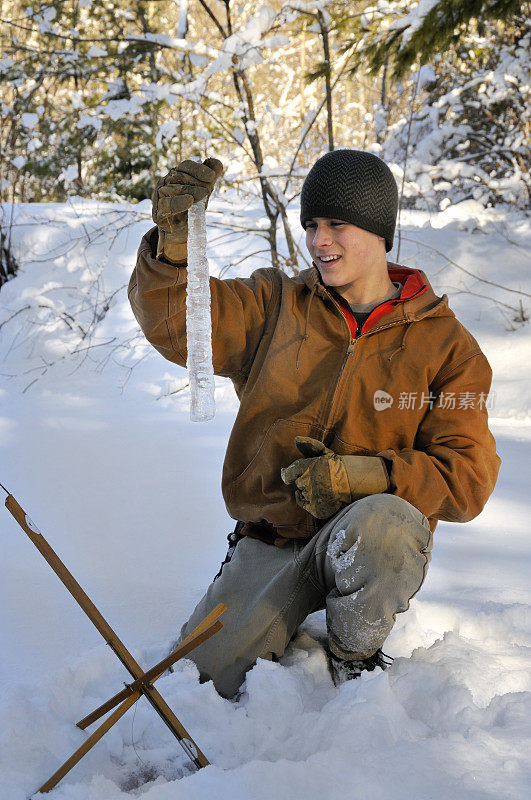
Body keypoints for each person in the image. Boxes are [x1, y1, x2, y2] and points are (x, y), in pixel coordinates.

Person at [128, 150, 501, 698]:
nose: (319, 241)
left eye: (336, 224)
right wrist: (175, 248)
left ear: (378, 229)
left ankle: (355, 654)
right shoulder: (275, 304)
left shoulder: (446, 348)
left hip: (361, 541)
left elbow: (467, 477)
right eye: (311, 226)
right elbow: (184, 327)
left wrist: (365, 477)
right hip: (269, 542)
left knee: (388, 523)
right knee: (202, 688)